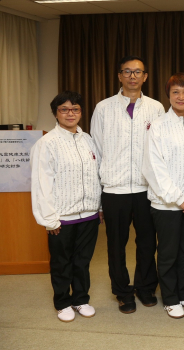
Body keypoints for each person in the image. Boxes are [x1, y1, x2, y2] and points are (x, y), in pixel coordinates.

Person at [90, 56, 165, 314]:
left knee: (147, 242)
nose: (132, 76)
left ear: (145, 77)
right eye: (127, 72)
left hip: (146, 188)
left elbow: (161, 149)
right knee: (115, 244)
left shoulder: (156, 108)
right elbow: (96, 151)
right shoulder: (103, 108)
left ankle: (145, 287)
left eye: (138, 72)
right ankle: (123, 291)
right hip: (114, 189)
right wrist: (98, 197)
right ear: (119, 76)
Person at [30, 91, 102, 322]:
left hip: (89, 215)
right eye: (64, 109)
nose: (70, 113)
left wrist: (99, 208)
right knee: (62, 263)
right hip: (62, 217)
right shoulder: (47, 143)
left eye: (75, 109)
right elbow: (41, 184)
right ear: (56, 113)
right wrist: (49, 219)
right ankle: (62, 302)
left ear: (81, 112)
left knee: (82, 261)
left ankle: (81, 299)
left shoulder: (88, 139)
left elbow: (96, 176)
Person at [142, 73, 184, 319]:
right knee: (168, 253)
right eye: (176, 92)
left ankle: (183, 293)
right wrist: (180, 199)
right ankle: (169, 298)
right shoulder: (157, 126)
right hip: (167, 204)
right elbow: (154, 168)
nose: (181, 97)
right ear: (168, 95)